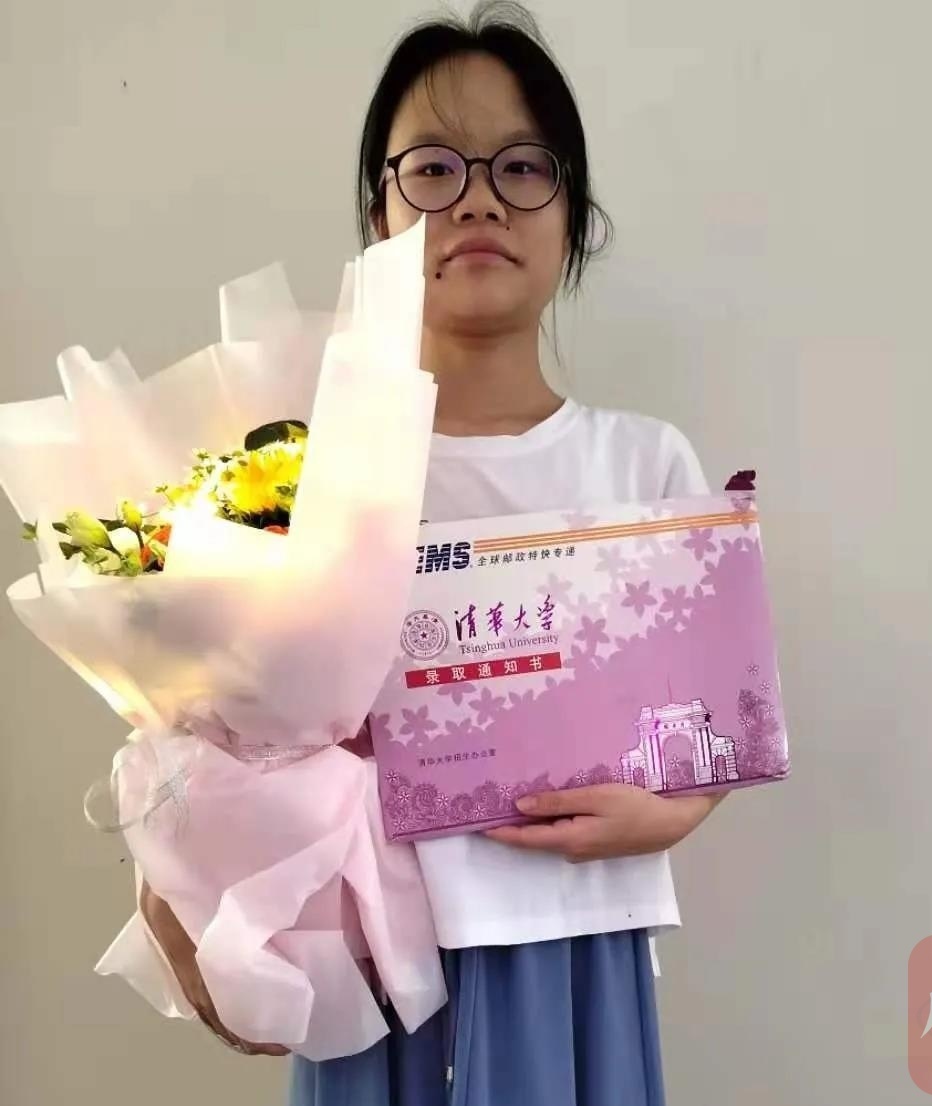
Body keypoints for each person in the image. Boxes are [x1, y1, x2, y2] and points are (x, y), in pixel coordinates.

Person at [143, 4, 725, 1103]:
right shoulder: (304, 473)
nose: (478, 200)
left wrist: (674, 813)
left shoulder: (644, 465)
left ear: (575, 216)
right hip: (368, 952)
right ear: (381, 215)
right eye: (433, 168)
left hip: (569, 937)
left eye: (523, 167)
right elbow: (211, 735)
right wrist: (171, 873)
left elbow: (713, 722)